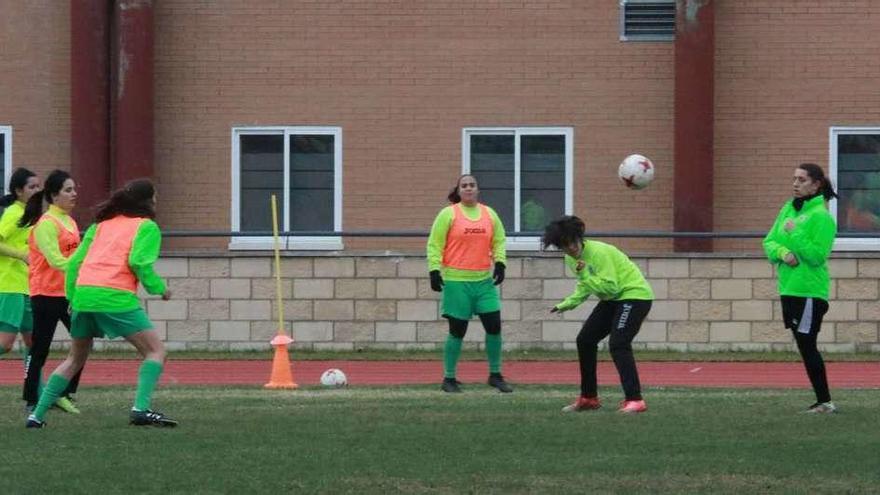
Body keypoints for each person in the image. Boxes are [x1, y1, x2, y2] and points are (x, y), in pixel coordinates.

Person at [26, 178, 176, 428]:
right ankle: (140, 409)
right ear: (148, 201)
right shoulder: (146, 227)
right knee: (155, 351)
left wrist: (72, 297)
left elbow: (74, 263)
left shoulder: (100, 225)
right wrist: (160, 289)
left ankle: (36, 416)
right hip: (114, 296)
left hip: (84, 296)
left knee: (74, 359)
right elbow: (139, 262)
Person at [542, 215, 654, 414]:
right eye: (565, 245)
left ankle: (635, 400)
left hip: (634, 296)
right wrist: (568, 304)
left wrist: (585, 275)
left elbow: (610, 287)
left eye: (573, 242)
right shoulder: (570, 258)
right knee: (585, 340)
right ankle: (588, 398)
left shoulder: (599, 252)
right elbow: (586, 286)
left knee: (618, 343)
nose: (571, 248)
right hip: (613, 299)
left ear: (580, 237)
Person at [763, 163, 838, 414]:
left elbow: (817, 255)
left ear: (816, 184)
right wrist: (783, 253)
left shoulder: (822, 216)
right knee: (804, 344)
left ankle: (825, 402)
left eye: (802, 179)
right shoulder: (788, 209)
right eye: (794, 178)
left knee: (807, 344)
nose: (796, 183)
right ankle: (823, 401)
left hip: (809, 292)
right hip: (789, 289)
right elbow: (769, 241)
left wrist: (795, 236)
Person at [426, 174, 511, 393]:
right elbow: (435, 244)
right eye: (464, 185)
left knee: (494, 327)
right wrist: (434, 270)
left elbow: (499, 240)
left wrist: (500, 263)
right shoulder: (448, 214)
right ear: (459, 190)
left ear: (478, 189)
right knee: (457, 331)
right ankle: (449, 379)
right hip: (456, 282)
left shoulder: (489, 214)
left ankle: (495, 375)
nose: (469, 188)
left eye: (472, 185)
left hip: (483, 282)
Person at [21, 170, 84, 413]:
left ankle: (63, 393)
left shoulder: (70, 221)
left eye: (74, 189)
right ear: (54, 195)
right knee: (40, 349)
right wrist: (82, 264)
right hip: (45, 294)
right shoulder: (46, 224)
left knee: (83, 342)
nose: (74, 194)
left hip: (68, 294)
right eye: (68, 190)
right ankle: (31, 399)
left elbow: (72, 256)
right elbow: (57, 261)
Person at [0, 168, 41, 372]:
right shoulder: (14, 213)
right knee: (5, 344)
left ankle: (34, 394)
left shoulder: (31, 215)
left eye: (38, 186)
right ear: (18, 190)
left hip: (27, 286)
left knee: (35, 343)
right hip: (10, 285)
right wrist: (23, 256)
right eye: (32, 187)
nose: (37, 191)